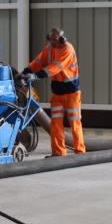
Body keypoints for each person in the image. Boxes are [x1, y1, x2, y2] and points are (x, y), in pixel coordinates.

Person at [22, 28, 86, 156]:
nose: (52, 43)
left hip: (71, 93)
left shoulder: (68, 50)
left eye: (54, 40)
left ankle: (80, 152)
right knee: (55, 124)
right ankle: (58, 153)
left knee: (75, 123)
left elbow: (55, 68)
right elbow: (38, 62)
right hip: (57, 93)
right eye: (50, 40)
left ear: (62, 39)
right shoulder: (50, 48)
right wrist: (25, 72)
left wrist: (35, 76)